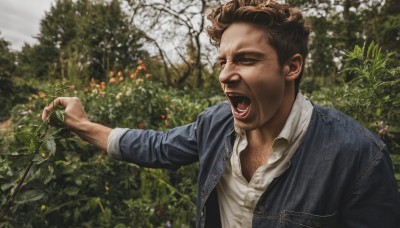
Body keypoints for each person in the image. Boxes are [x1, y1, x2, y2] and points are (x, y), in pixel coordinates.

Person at [42, 0, 400, 227]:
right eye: (223, 61)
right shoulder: (215, 123)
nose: (225, 74)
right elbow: (158, 147)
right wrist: (83, 125)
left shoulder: (358, 157)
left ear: (291, 67)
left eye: (246, 59)